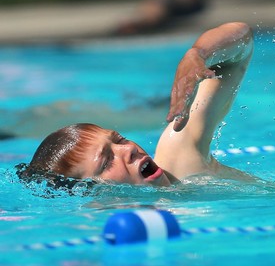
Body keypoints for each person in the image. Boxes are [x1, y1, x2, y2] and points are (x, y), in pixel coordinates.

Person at [18, 22, 254, 188]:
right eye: (107, 161)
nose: (128, 149)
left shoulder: (180, 161)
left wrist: (198, 54)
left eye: (119, 139)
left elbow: (242, 36)